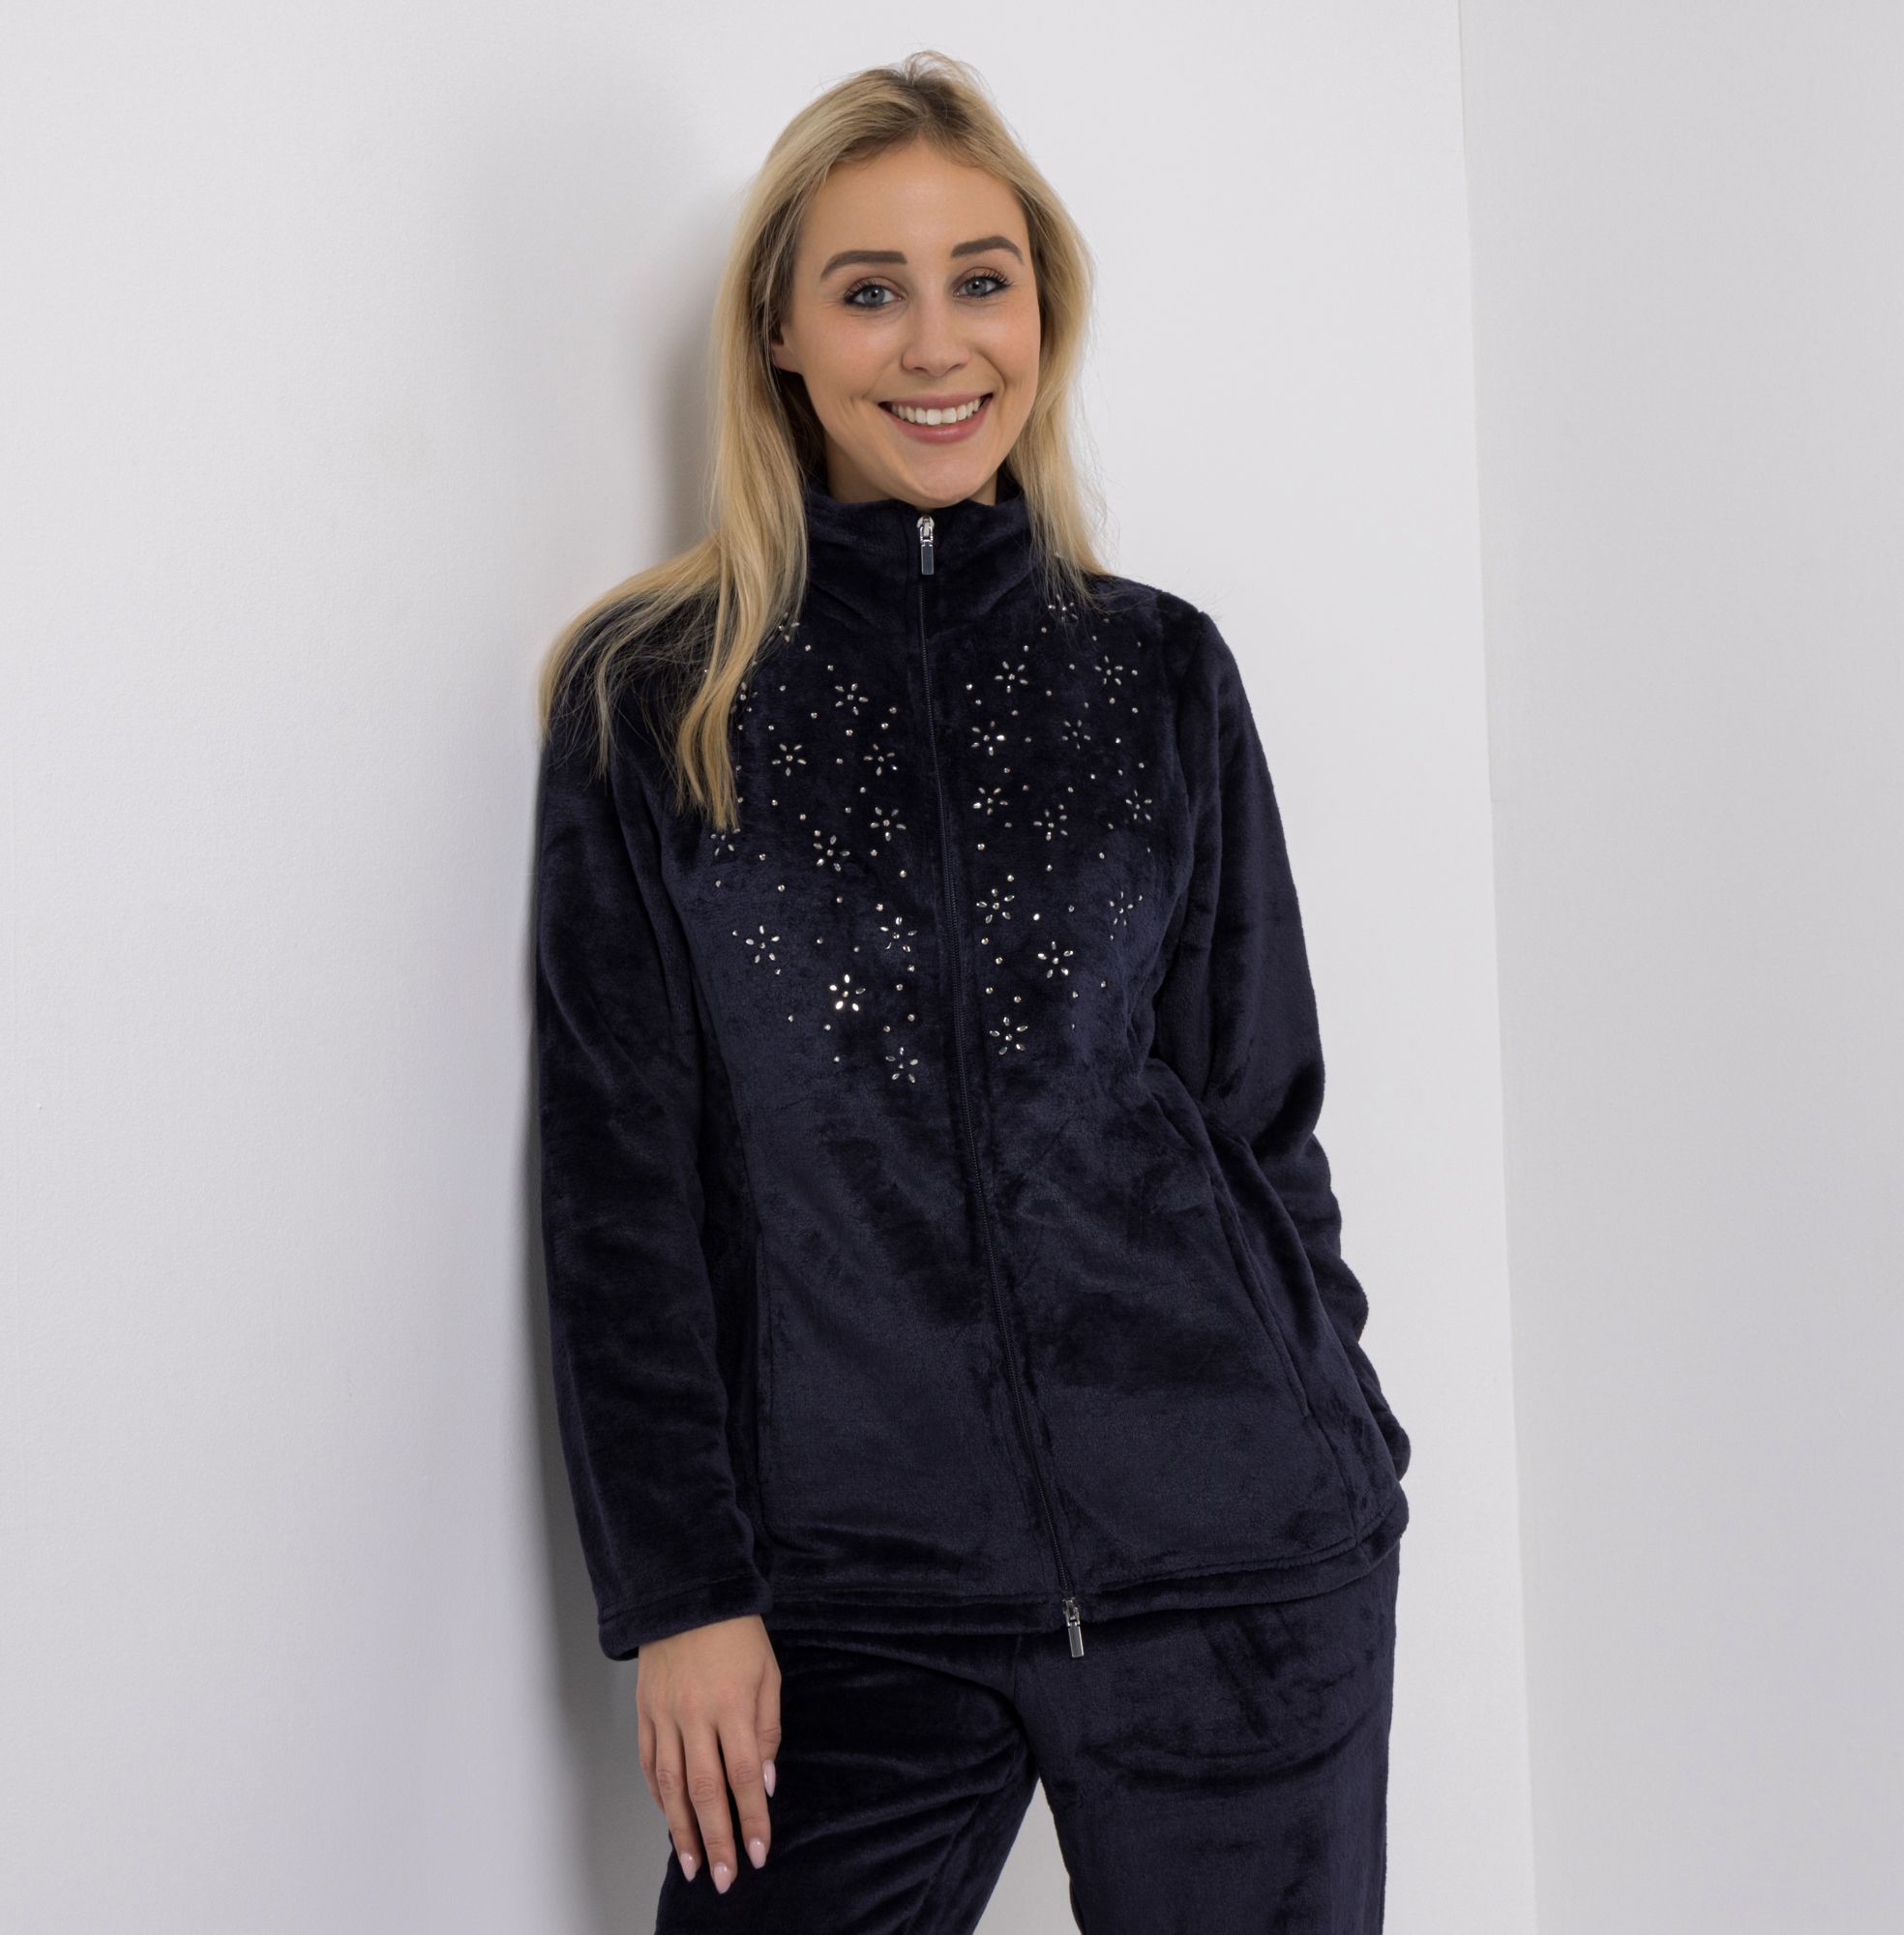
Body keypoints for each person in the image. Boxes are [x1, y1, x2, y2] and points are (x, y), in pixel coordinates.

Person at [532, 49, 1413, 1934]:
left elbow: (1259, 1114)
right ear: (779, 334)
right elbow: (621, 1186)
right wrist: (681, 1592)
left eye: (981, 280)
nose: (937, 345)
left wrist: (1339, 1424)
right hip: (852, 1596)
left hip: (1238, 1571)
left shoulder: (1160, 672)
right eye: (871, 289)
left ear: (1042, 313)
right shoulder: (654, 697)